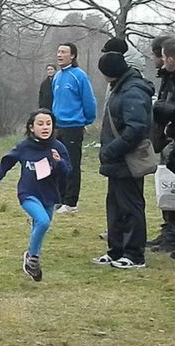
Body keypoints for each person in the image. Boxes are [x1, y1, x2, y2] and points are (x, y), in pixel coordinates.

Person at [0, 109, 71, 281]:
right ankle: (33, 258)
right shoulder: (24, 147)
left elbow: (67, 171)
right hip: (28, 193)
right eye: (40, 124)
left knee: (41, 226)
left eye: (48, 123)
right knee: (42, 221)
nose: (45, 127)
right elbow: (6, 162)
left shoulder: (58, 147)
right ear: (31, 127)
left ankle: (32, 262)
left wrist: (59, 162)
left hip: (49, 195)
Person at [92, 52, 154, 269]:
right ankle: (116, 250)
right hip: (117, 162)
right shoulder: (122, 87)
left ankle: (135, 255)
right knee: (115, 207)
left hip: (127, 160)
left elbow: (135, 129)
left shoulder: (132, 91)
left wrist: (111, 151)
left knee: (131, 206)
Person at [52, 43, 97, 214]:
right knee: (58, 163)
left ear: (72, 56)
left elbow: (89, 101)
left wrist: (86, 120)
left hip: (74, 126)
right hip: (58, 126)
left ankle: (71, 202)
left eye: (63, 52)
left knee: (71, 164)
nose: (59, 55)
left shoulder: (79, 76)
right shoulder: (57, 77)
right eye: (58, 51)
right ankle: (60, 198)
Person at [148, 37, 175, 254]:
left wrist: (156, 108)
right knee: (167, 188)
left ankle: (171, 236)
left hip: (170, 138)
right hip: (166, 137)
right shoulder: (166, 77)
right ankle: (168, 231)